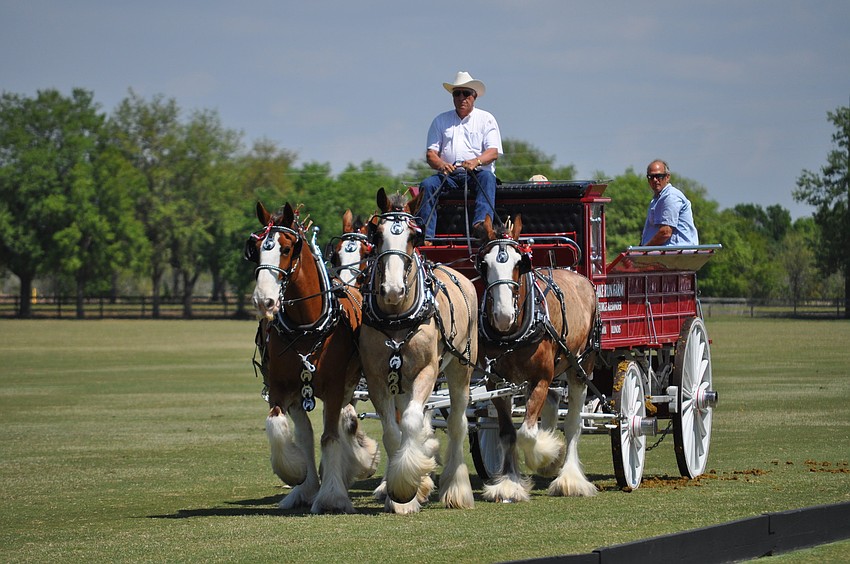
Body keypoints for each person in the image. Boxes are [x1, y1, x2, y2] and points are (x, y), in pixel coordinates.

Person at [416, 71, 503, 241]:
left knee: (487, 178)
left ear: (474, 96)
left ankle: (481, 224)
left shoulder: (486, 119)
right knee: (427, 184)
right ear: (453, 97)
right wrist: (442, 165)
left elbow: (493, 152)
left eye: (466, 93)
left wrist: (476, 161)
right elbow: (431, 154)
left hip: (476, 174)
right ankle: (426, 234)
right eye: (457, 93)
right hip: (449, 175)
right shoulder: (440, 121)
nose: (462, 97)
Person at [641, 159, 699, 246]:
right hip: (667, 254)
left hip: (677, 253)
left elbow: (665, 232)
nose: (655, 180)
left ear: (667, 177)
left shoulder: (670, 196)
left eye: (659, 176)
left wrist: (643, 251)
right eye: (651, 177)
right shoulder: (656, 199)